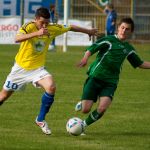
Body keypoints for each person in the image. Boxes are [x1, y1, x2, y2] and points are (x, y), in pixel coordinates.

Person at [0, 7, 98, 135]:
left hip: (38, 69)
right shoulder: (29, 26)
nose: (45, 25)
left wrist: (88, 31)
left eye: (47, 22)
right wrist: (37, 33)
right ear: (36, 20)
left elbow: (71, 27)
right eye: (42, 22)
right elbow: (17, 38)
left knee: (51, 87)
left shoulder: (52, 28)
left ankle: (40, 119)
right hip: (20, 69)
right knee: (3, 96)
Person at [75, 17, 150, 134]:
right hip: (95, 77)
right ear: (118, 28)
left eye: (127, 29)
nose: (124, 31)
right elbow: (91, 48)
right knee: (85, 109)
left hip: (110, 82)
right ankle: (83, 102)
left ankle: (83, 125)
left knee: (102, 108)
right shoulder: (109, 40)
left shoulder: (128, 49)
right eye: (122, 28)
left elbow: (140, 63)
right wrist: (85, 58)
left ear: (131, 32)